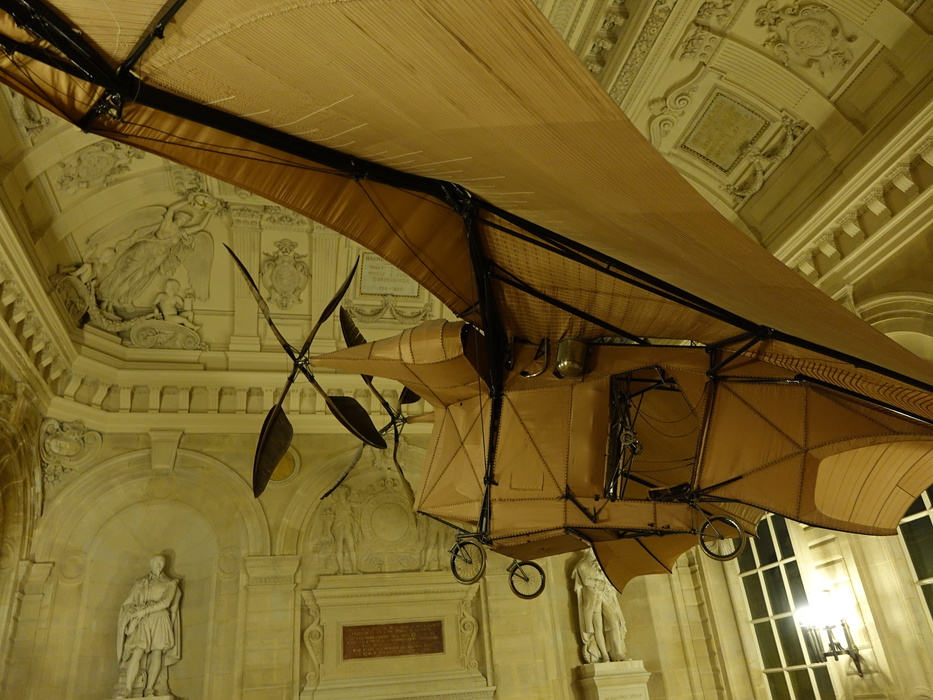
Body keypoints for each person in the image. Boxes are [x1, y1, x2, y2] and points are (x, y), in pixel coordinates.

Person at [116, 555, 181, 698]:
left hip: (159, 618)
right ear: (150, 565)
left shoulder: (170, 583)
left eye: (161, 563)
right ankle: (127, 689)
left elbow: (166, 602)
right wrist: (133, 613)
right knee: (137, 652)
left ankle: (149, 689)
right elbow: (129, 602)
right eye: (156, 562)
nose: (159, 565)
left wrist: (144, 611)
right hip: (143, 620)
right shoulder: (140, 582)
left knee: (157, 652)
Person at [572, 549, 627, 663]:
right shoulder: (582, 565)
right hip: (593, 599)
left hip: (606, 595)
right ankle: (604, 655)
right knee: (597, 627)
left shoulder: (602, 562)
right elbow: (586, 580)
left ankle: (618, 653)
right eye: (590, 549)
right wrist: (600, 583)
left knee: (614, 622)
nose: (593, 550)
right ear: (586, 551)